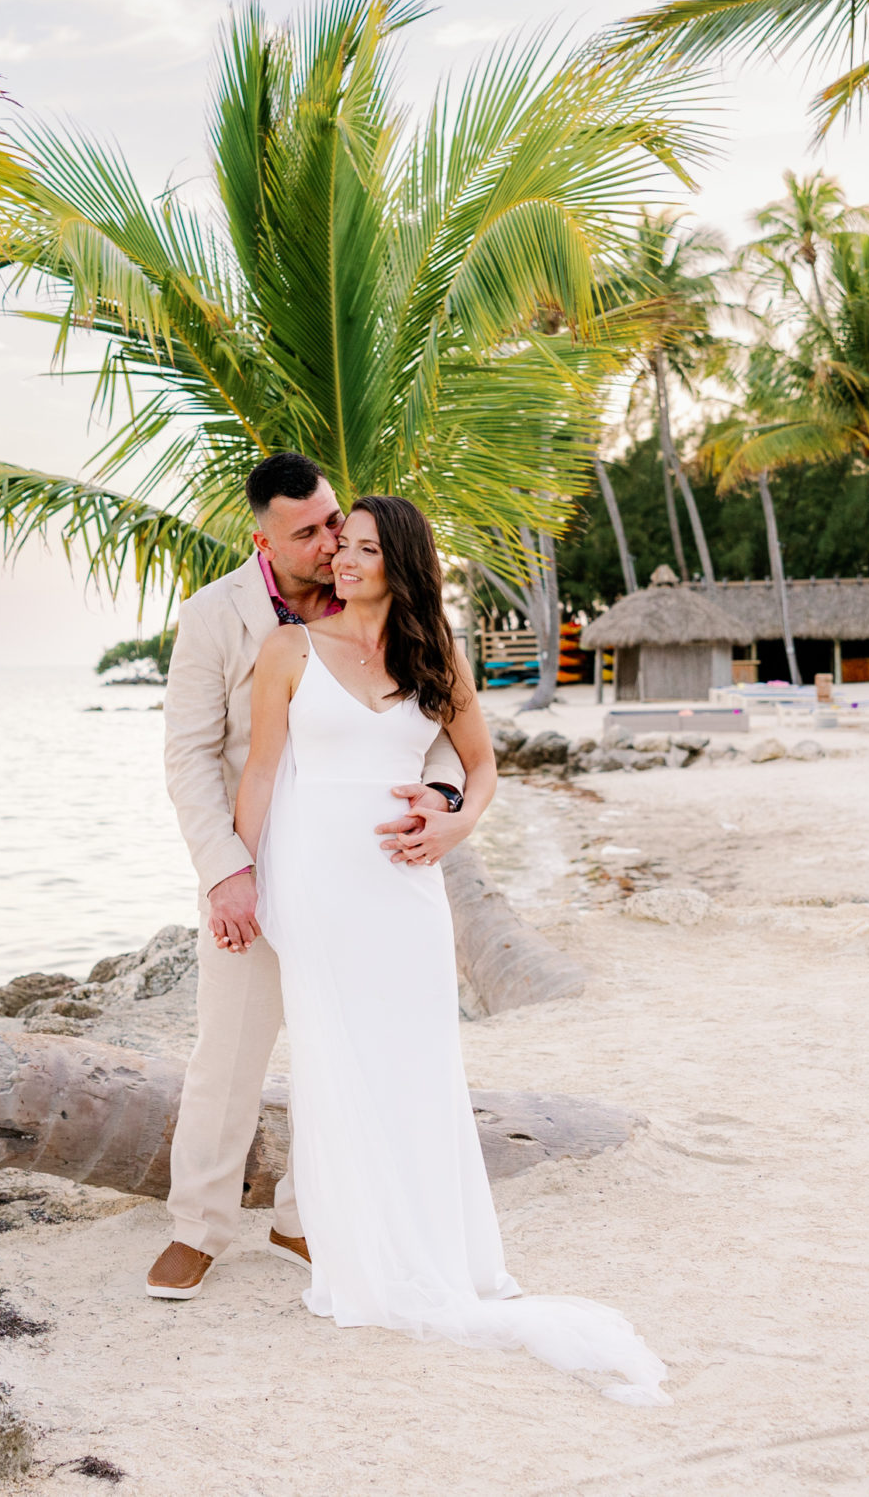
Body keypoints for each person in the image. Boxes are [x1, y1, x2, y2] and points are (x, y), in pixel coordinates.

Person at [232, 493, 669, 1404]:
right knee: (334, 1064)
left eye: (358, 550)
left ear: (398, 561)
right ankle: (355, 1260)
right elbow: (263, 772)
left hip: (404, 889)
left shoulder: (435, 657)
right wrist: (234, 876)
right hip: (314, 884)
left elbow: (482, 767)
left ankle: (435, 1252)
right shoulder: (288, 648)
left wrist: (452, 829)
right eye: (335, 548)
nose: (339, 562)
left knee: (417, 1066)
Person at [148, 453, 467, 1302]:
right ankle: (198, 1227)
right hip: (254, 864)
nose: (331, 543)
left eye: (334, 522)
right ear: (264, 539)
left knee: (347, 1048)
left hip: (362, 874)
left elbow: (434, 724)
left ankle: (302, 1214)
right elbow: (189, 759)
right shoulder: (215, 617)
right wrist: (228, 874)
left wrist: (442, 795)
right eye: (311, 532)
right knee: (231, 1051)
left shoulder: (374, 597)